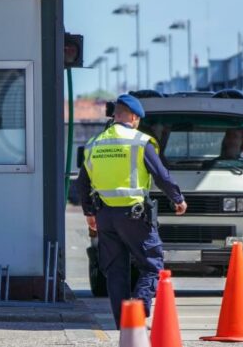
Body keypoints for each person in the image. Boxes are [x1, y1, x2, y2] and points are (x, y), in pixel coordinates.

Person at [73, 94, 187, 328]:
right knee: (152, 264)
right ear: (134, 116)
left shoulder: (95, 143)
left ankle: (123, 324)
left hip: (105, 215)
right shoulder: (140, 142)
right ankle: (138, 309)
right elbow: (161, 175)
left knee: (116, 271)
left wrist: (89, 213)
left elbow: (82, 182)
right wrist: (177, 198)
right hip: (134, 216)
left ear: (115, 115)